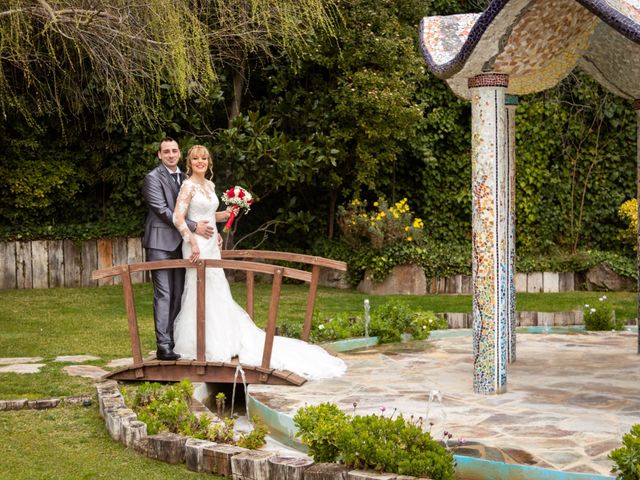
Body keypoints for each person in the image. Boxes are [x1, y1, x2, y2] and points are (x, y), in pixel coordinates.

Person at [172, 145, 346, 380]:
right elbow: (178, 217)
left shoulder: (210, 186)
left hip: (211, 244)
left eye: (204, 158)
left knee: (216, 287)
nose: (200, 162)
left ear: (209, 162)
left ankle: (223, 338)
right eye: (195, 158)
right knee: (199, 289)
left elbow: (208, 215)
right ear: (189, 162)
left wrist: (229, 213)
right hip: (196, 246)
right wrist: (192, 242)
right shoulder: (188, 186)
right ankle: (200, 342)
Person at [142, 137, 215, 361]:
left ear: (179, 154)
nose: (171, 155)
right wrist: (194, 228)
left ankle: (174, 340)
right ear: (159, 155)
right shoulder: (152, 178)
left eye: (174, 151)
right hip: (160, 244)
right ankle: (163, 345)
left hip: (181, 244)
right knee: (164, 294)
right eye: (166, 152)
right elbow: (164, 211)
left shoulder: (186, 178)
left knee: (179, 294)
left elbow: (191, 210)